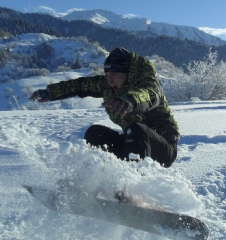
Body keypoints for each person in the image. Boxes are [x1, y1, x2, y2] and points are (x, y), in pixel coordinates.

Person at [30, 47, 180, 168]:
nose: (109, 79)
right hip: (135, 146)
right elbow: (80, 85)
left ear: (127, 73)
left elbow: (146, 95)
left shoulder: (148, 84)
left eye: (114, 74)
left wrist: (127, 102)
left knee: (136, 129)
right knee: (95, 133)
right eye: (107, 74)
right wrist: (50, 92)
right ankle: (101, 182)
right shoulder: (109, 85)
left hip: (163, 148)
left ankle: (136, 188)